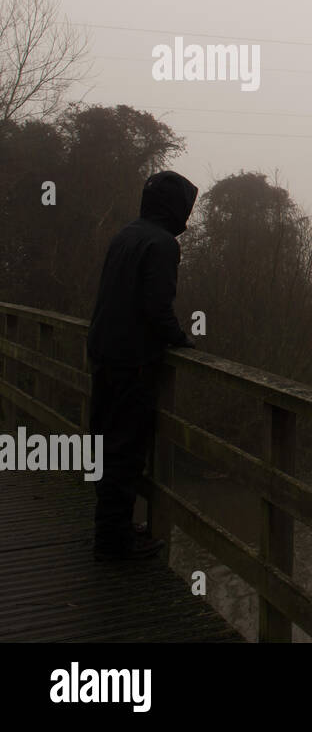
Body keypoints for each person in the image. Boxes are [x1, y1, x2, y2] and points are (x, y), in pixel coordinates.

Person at [86, 170, 199, 561]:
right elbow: (156, 305)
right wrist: (179, 338)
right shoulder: (162, 244)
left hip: (103, 352)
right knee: (125, 449)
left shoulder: (127, 234)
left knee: (105, 442)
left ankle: (111, 529)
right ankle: (113, 544)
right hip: (130, 360)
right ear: (176, 207)